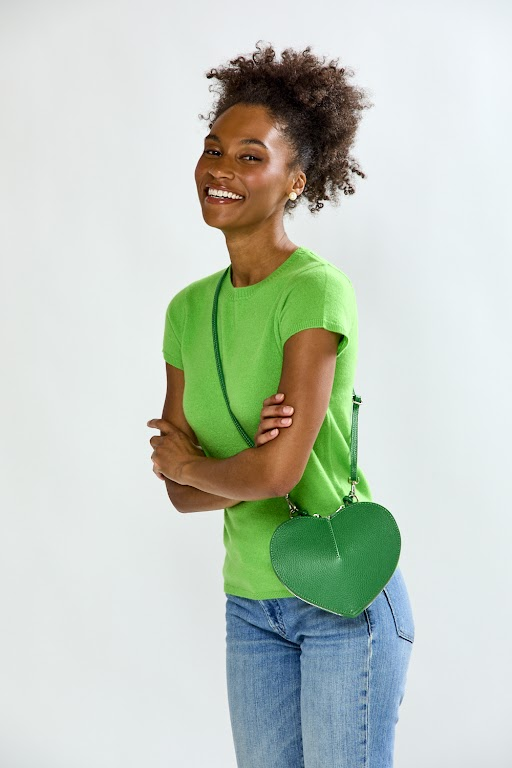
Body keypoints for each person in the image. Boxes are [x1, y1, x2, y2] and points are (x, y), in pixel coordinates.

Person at [147, 41, 415, 768]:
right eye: (213, 150)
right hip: (250, 606)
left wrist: (215, 465)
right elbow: (177, 490)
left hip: (344, 597)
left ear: (296, 179)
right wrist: (227, 466)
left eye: (249, 156)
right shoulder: (184, 311)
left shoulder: (314, 291)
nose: (220, 172)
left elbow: (276, 474)